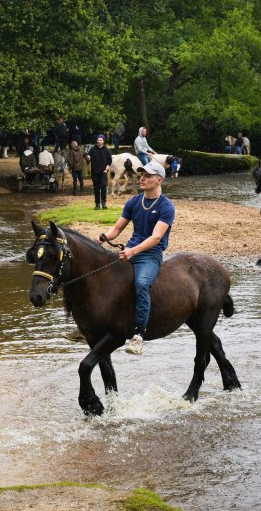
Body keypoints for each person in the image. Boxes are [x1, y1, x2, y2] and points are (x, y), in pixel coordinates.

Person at [96, 160, 175, 355]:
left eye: (147, 175)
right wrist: (104, 236)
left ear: (159, 180)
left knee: (141, 284)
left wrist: (133, 251)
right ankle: (93, 325)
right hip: (130, 250)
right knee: (100, 275)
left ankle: (138, 337)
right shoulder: (133, 202)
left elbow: (156, 238)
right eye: (142, 174)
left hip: (150, 255)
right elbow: (116, 229)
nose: (142, 178)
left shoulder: (166, 206)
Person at [86, 134, 112, 210]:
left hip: (103, 172)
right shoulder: (93, 149)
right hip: (95, 172)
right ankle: (97, 204)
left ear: (103, 141)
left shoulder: (106, 150)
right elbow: (89, 159)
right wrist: (88, 158)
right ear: (96, 141)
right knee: (96, 188)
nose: (99, 141)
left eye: (101, 140)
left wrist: (106, 169)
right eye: (98, 140)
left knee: (103, 187)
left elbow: (109, 161)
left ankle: (103, 203)